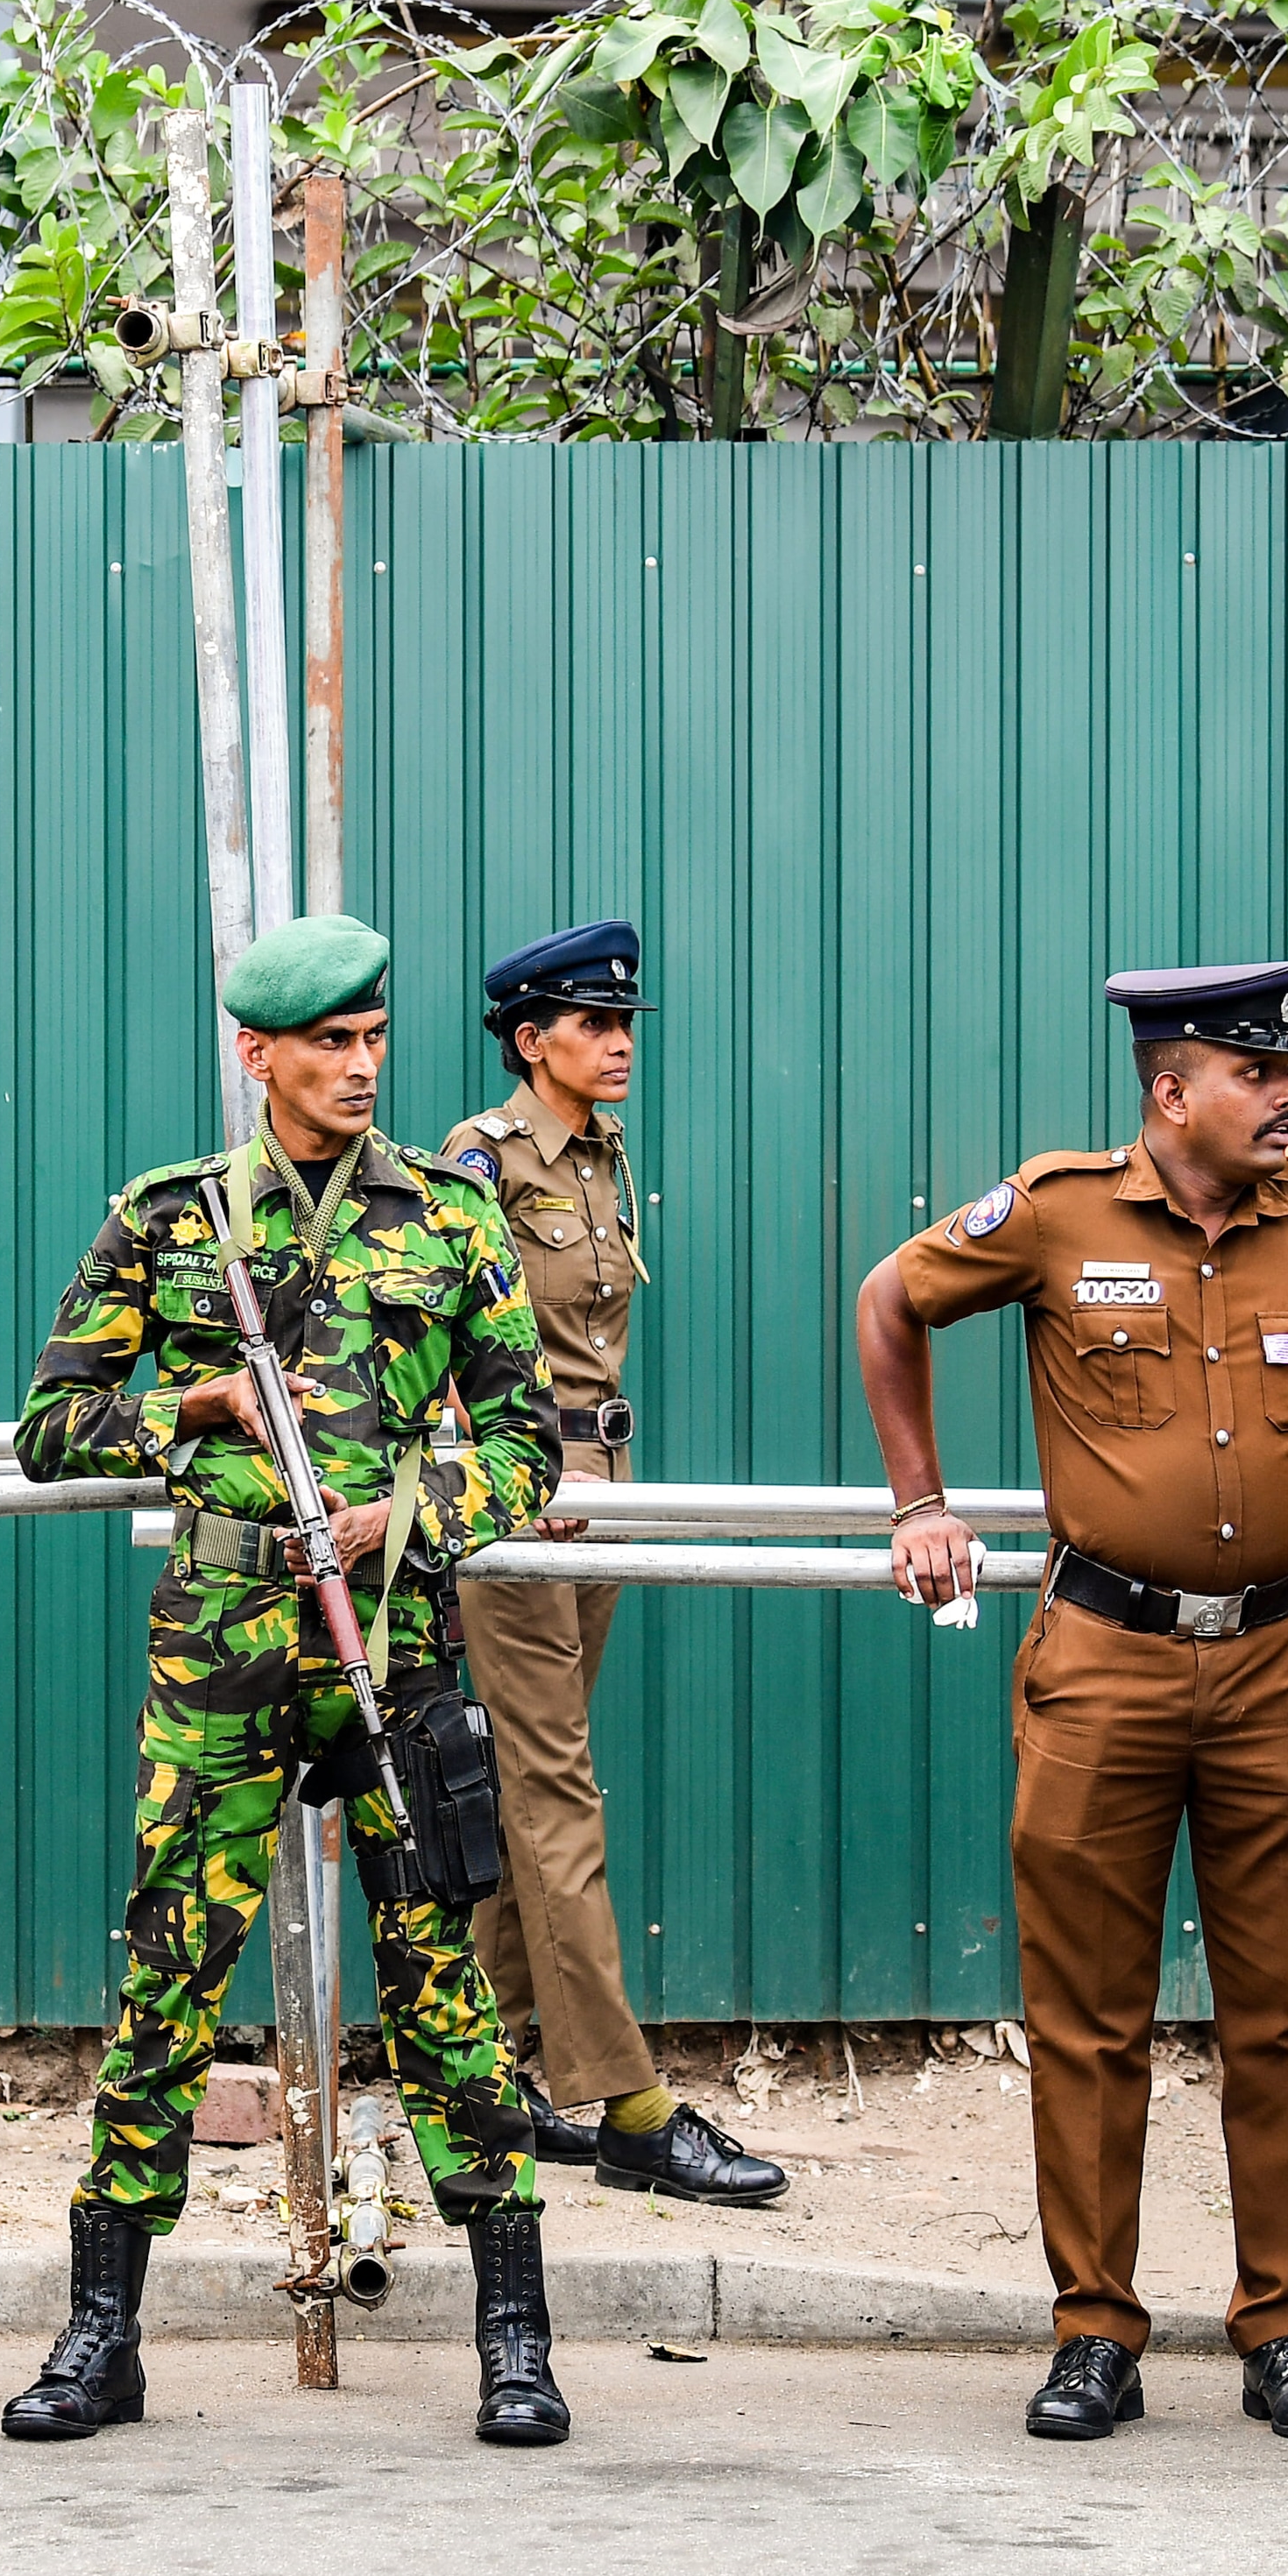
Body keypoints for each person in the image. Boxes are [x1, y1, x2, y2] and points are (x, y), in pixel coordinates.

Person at [856, 961, 1288, 2450]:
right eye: (1260, 1072)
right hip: (1105, 1659)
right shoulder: (1058, 1210)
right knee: (1089, 2017)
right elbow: (894, 1301)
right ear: (1171, 1091)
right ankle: (1095, 2329)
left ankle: (1285, 2326)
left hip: (1279, 1661)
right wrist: (918, 1501)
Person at [4, 912, 567, 2446]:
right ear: (259, 1052)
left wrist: (416, 1515)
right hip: (224, 1642)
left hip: (393, 1642)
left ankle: (514, 2337)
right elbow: (49, 1425)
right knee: (171, 1970)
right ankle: (102, 2333)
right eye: (331, 1043)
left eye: (375, 1038)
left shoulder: (451, 1215)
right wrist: (184, 1412)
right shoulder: (170, 1217)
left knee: (439, 1975)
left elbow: (530, 1443)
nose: (362, 1065)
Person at [439, 922, 781, 2208]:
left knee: (531, 1784)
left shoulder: (599, 1152)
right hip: (528, 1495)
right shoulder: (480, 1159)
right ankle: (630, 2105)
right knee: (554, 1787)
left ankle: (487, 2076)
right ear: (532, 1040)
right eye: (594, 1023)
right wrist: (520, 1474)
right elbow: (445, 1338)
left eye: (626, 1022)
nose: (621, 1041)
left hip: (602, 1485)